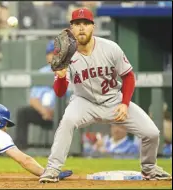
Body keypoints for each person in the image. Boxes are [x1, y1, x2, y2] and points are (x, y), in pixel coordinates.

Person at [39, 8, 172, 183]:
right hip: (84, 101)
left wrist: (125, 103)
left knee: (152, 133)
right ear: (71, 28)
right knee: (67, 122)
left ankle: (149, 168)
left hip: (113, 99)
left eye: (85, 24)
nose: (81, 28)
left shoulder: (110, 48)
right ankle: (52, 169)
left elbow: (128, 76)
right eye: (77, 24)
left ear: (92, 27)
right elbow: (59, 92)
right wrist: (62, 77)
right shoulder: (65, 54)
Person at [15, 40, 56, 150]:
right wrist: (44, 111)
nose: (52, 56)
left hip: (61, 113)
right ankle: (20, 149)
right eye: (50, 53)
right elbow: (33, 99)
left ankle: (71, 149)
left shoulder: (68, 72)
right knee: (23, 112)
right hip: (43, 112)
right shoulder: (42, 72)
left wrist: (55, 111)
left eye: (56, 53)